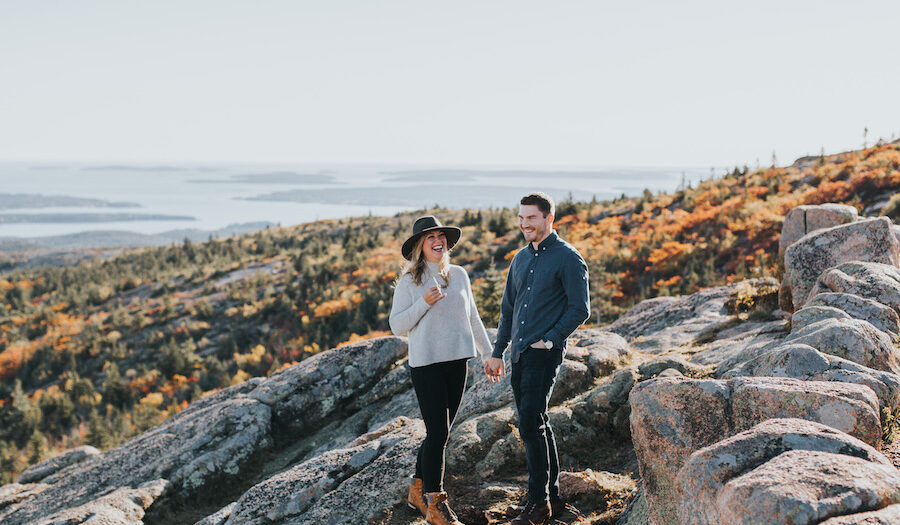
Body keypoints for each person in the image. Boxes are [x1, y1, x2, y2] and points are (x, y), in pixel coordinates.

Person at [483, 192, 590, 525]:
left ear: (548, 219)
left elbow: (580, 309)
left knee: (530, 423)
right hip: (518, 355)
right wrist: (498, 351)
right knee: (537, 422)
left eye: (531, 217)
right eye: (521, 217)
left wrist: (550, 340)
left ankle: (538, 505)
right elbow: (508, 310)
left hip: (544, 355)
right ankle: (552, 499)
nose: (524, 223)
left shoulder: (568, 258)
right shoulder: (519, 259)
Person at [389, 215, 493, 525]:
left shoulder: (459, 275)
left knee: (440, 433)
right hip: (427, 366)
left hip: (457, 361)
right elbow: (397, 326)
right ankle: (435, 504)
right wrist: (424, 303)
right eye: (430, 237)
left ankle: (417, 491)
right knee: (437, 434)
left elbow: (473, 318)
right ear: (420, 246)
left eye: (441, 236)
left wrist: (489, 353)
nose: (438, 241)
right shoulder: (410, 282)